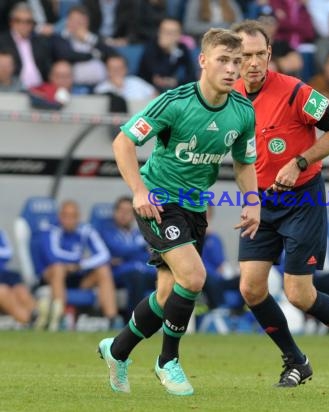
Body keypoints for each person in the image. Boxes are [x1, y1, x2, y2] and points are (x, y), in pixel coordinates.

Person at [97, 28, 260, 396]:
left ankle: (117, 350)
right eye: (223, 60)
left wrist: (253, 202)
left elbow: (244, 162)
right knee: (195, 277)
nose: (233, 69)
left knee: (170, 292)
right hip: (157, 201)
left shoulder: (242, 112)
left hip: (194, 207)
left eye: (238, 61)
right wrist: (138, 191)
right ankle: (167, 360)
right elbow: (123, 141)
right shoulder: (175, 102)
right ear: (203, 61)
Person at [231, 20, 329, 389]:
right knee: (250, 288)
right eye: (244, 55)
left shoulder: (296, 91)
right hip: (259, 200)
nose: (253, 62)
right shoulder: (228, 95)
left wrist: (299, 162)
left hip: (303, 198)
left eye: (259, 54)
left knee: (298, 293)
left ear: (269, 54)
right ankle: (296, 360)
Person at [36, 200, 120, 332]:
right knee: (58, 267)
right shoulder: (50, 230)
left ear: (78, 217)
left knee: (103, 270)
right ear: (60, 217)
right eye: (66, 216)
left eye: (73, 216)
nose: (69, 220)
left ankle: (112, 319)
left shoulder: (86, 230)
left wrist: (81, 264)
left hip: (78, 275)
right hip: (53, 276)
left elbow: (104, 255)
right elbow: (53, 255)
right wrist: (75, 260)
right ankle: (61, 317)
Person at [98, 196, 156, 314]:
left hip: (142, 270)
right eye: (121, 211)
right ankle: (134, 318)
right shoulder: (106, 231)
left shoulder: (138, 233)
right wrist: (141, 248)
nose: (124, 215)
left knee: (165, 274)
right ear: (115, 212)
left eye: (128, 211)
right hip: (117, 272)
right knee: (136, 276)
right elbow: (117, 249)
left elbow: (149, 256)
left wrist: (128, 256)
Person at [0, 229, 36, 325]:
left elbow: (8, 253)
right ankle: (29, 321)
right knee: (2, 292)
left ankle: (39, 316)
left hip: (3, 275)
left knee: (20, 290)